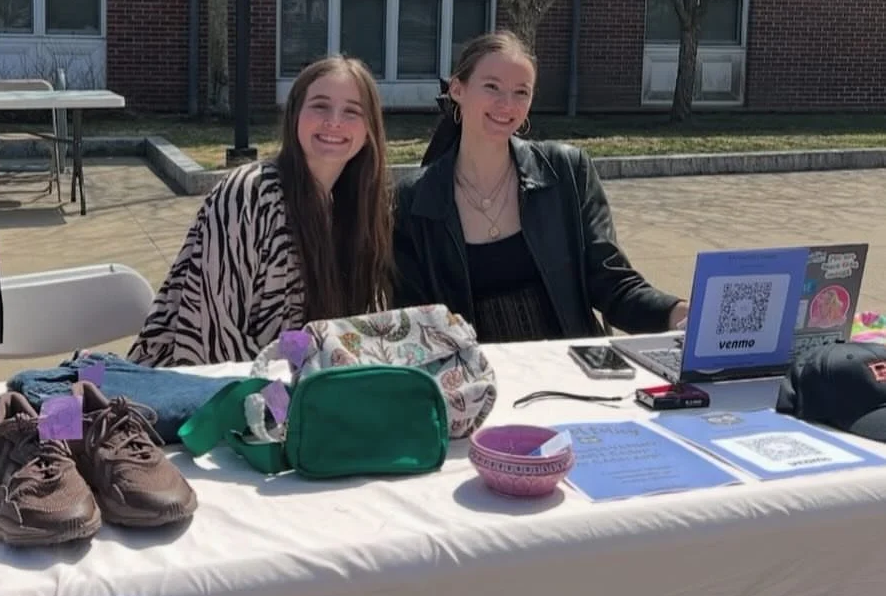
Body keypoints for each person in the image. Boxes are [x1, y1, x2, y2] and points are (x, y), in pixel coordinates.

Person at [393, 31, 687, 341]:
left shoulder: (567, 171)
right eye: (492, 86)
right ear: (457, 89)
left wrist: (677, 312)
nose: (507, 104)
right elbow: (414, 322)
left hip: (568, 362)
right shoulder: (413, 201)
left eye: (521, 92)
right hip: (472, 368)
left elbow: (612, 284)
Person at [128, 55, 392, 366]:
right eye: (320, 106)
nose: (334, 121)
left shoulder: (355, 209)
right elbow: (213, 342)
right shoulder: (250, 193)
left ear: (369, 129)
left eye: (352, 111)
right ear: (295, 115)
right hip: (198, 385)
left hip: (298, 385)